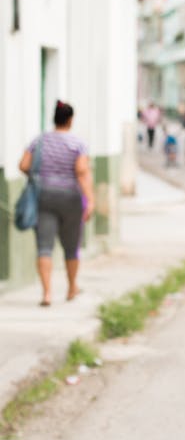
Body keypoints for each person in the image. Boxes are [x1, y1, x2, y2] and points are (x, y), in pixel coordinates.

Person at [18, 100, 95, 306]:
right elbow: (81, 171)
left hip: (44, 196)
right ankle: (71, 288)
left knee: (44, 247)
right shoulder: (77, 144)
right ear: (70, 120)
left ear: (54, 118)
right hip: (70, 197)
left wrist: (38, 176)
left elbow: (23, 164)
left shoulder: (39, 141)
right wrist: (90, 201)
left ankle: (47, 294)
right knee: (71, 247)